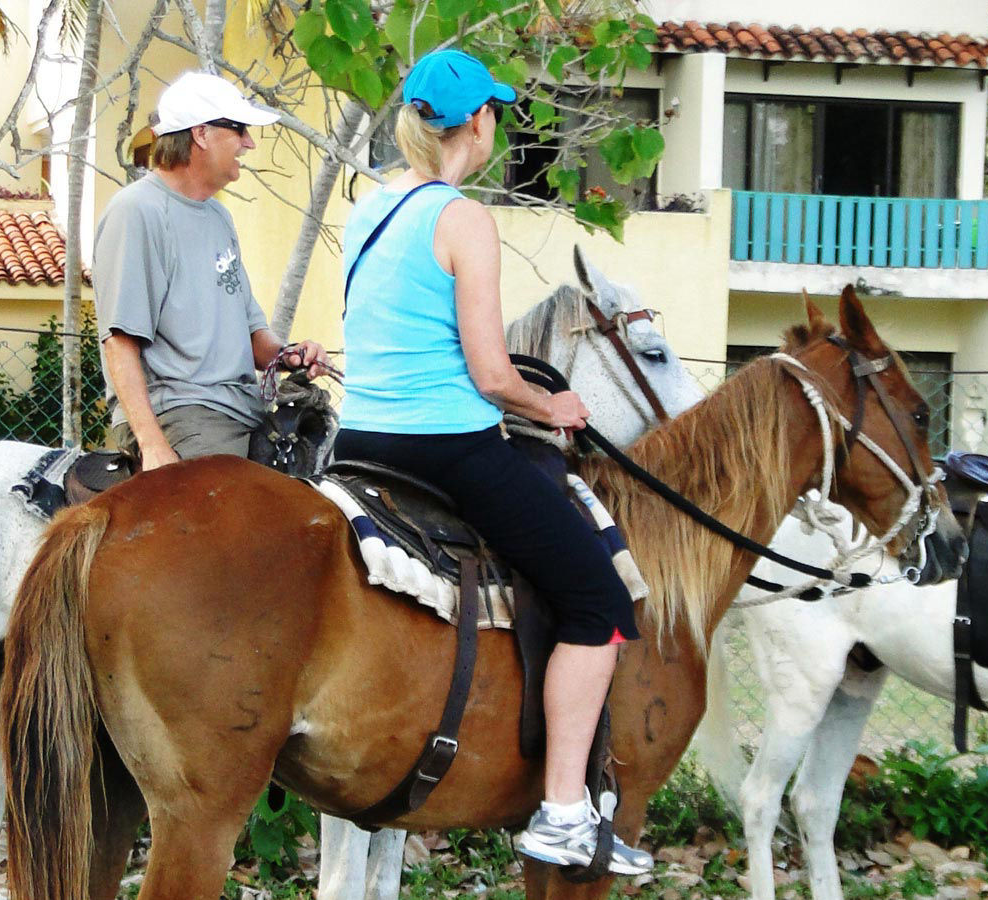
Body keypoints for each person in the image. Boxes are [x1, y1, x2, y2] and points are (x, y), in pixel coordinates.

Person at [332, 49, 653, 873]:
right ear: (476, 121)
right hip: (449, 449)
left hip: (359, 441)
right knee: (598, 600)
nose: (499, 126)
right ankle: (563, 810)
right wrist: (555, 407)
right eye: (496, 113)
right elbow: (490, 374)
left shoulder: (369, 210)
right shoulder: (461, 216)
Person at [92, 71, 331, 470]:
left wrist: (290, 356)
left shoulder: (218, 215)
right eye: (238, 129)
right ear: (200, 134)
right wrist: (152, 446)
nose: (249, 142)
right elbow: (119, 343)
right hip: (181, 413)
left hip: (244, 410)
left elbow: (252, 334)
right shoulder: (136, 212)